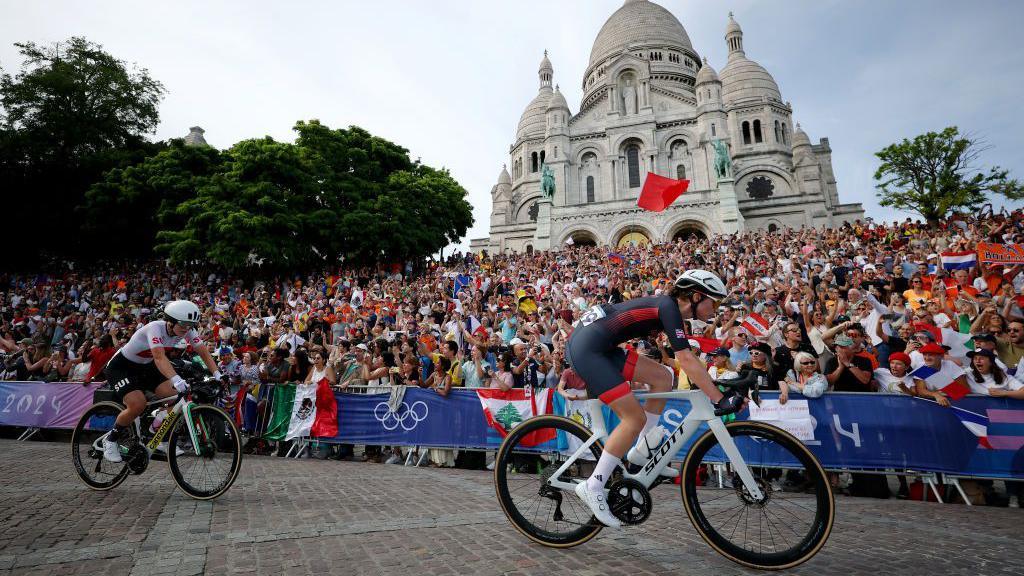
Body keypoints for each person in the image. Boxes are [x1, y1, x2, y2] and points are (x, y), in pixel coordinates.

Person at [566, 270, 738, 528]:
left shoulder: (670, 309)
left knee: (662, 377)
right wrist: (718, 398)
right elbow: (687, 359)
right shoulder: (668, 307)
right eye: (712, 302)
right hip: (589, 349)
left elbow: (681, 360)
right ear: (694, 296)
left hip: (600, 345)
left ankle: (642, 451)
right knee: (633, 418)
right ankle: (594, 484)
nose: (715, 309)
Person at [101, 300, 220, 462]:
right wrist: (176, 379)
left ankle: (154, 433)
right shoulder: (154, 328)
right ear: (170, 322)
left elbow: (203, 351)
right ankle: (110, 439)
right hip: (122, 367)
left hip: (146, 366)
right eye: (183, 325)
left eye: (191, 325)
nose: (187, 329)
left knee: (176, 397)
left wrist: (218, 374)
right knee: (137, 404)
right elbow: (159, 357)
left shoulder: (187, 330)